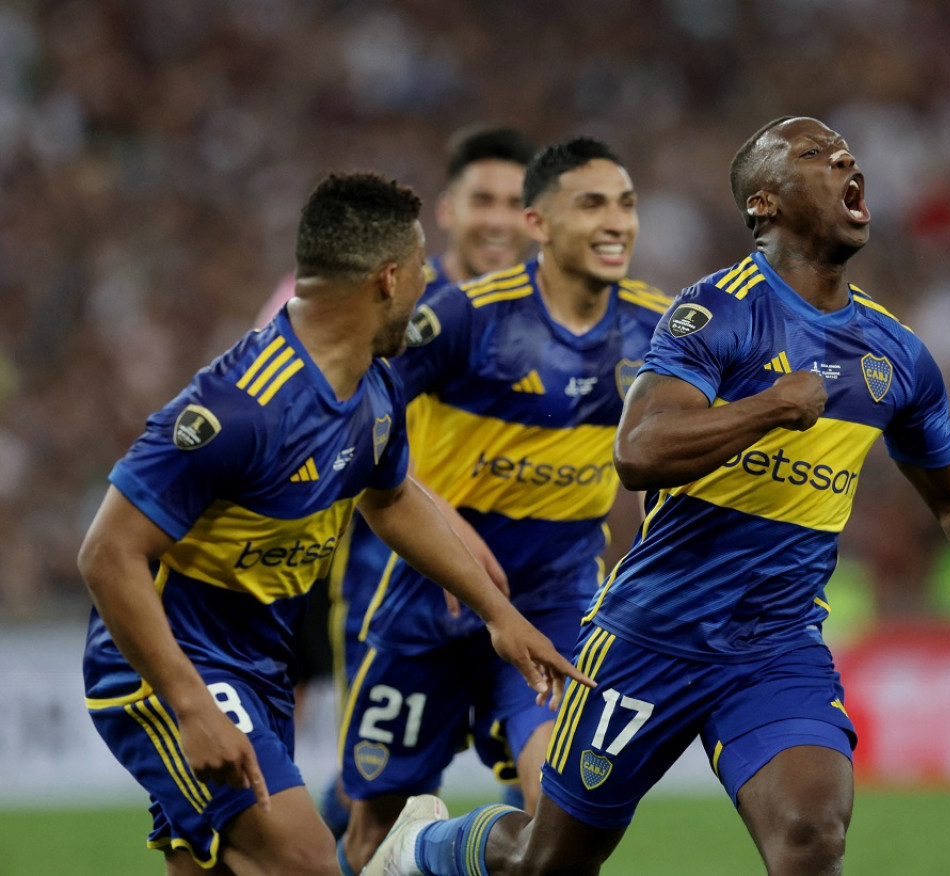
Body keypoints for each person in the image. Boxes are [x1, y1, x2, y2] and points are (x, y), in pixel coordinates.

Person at [364, 116, 950, 876]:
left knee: (811, 836)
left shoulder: (897, 354)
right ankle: (421, 850)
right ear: (764, 202)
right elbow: (639, 451)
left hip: (774, 644)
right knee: (544, 864)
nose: (844, 158)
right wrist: (771, 408)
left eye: (846, 153)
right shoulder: (714, 312)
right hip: (650, 638)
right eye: (814, 154)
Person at [79, 170, 588, 875]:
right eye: (417, 270)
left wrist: (498, 614)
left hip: (257, 658)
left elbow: (392, 497)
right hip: (174, 660)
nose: (425, 287)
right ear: (386, 279)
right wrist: (190, 705)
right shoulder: (239, 408)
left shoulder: (371, 388)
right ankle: (426, 857)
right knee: (309, 857)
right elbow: (106, 553)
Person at [338, 136, 668, 875]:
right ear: (539, 224)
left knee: (559, 833)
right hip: (431, 601)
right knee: (368, 835)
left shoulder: (660, 330)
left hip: (556, 605)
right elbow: (355, 417)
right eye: (593, 204)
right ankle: (408, 851)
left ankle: (433, 854)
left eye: (627, 204)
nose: (617, 222)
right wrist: (443, 517)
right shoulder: (464, 318)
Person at [272, 126, 538, 839]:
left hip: (527, 585)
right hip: (386, 579)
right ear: (448, 208)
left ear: (537, 217)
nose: (497, 217)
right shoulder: (382, 301)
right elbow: (300, 409)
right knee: (378, 793)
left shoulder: (559, 316)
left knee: (550, 792)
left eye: (515, 202)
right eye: (483, 198)